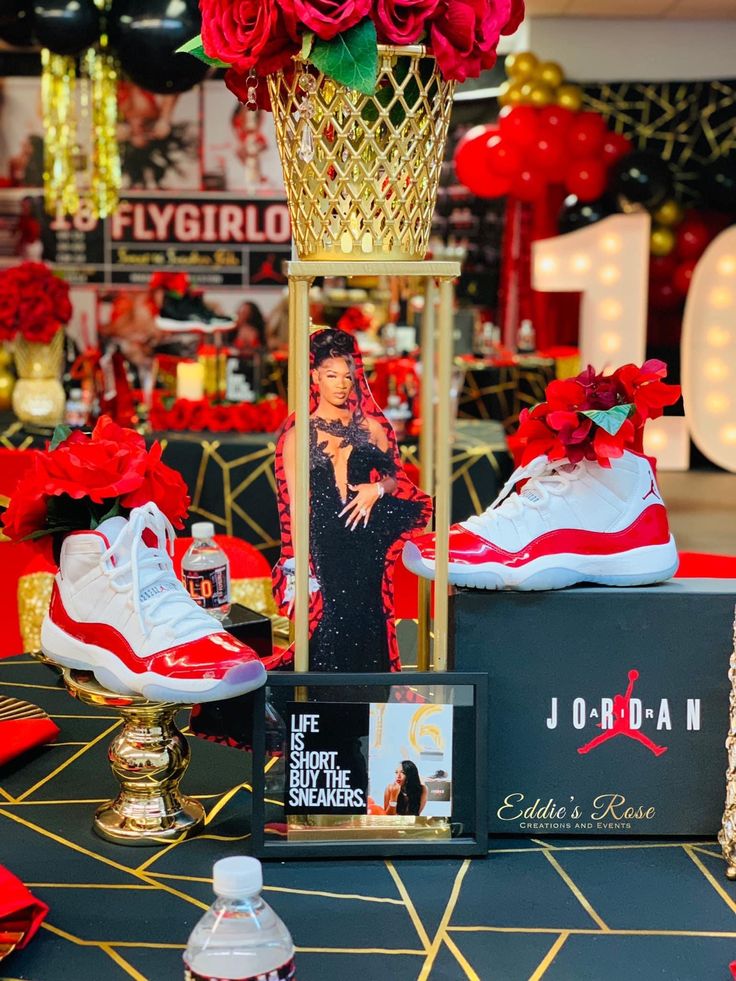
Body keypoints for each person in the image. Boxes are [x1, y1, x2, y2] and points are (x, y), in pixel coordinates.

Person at [274, 328, 431, 673]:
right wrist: (299, 566)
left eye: (347, 376)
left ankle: (369, 702)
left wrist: (375, 490)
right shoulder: (299, 435)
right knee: (332, 617)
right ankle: (327, 704)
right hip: (327, 542)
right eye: (332, 376)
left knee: (371, 613)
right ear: (315, 377)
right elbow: (296, 505)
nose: (341, 384)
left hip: (368, 540)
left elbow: (397, 480)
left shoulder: (373, 428)